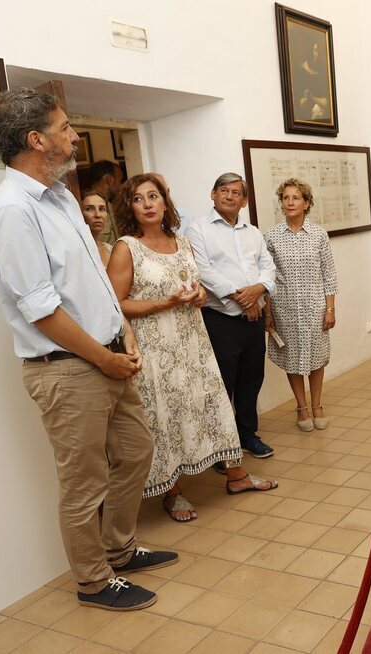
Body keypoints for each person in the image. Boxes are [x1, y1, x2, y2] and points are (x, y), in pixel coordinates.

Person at [0, 88, 176, 611]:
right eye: (66, 128)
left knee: (136, 454)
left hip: (107, 354)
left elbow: (89, 278)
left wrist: (123, 333)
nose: (76, 135)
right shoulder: (11, 210)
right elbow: (41, 309)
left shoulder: (62, 194)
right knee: (83, 482)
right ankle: (92, 581)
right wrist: (103, 355)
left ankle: (119, 549)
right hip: (68, 369)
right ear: (36, 139)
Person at [108, 174, 278, 521]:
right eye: (138, 199)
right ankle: (173, 493)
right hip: (156, 346)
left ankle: (237, 476)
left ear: (165, 202)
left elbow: (195, 286)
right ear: (130, 208)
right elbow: (113, 303)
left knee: (213, 403)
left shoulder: (181, 241)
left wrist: (199, 296)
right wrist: (163, 304)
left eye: (153, 196)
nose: (148, 204)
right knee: (167, 416)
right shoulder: (127, 247)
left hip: (193, 340)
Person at [187, 172, 277, 459]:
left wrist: (258, 290)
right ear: (213, 194)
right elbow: (203, 270)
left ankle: (248, 435)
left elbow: (268, 267)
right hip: (221, 321)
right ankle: (222, 447)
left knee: (251, 380)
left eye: (235, 192)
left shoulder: (253, 233)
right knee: (222, 383)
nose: (228, 195)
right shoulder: (197, 230)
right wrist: (244, 297)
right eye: (223, 190)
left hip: (253, 321)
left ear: (244, 200)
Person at [265, 179, 338, 431]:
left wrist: (330, 309)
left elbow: (329, 274)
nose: (290, 202)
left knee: (317, 359)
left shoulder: (319, 234)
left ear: (306, 203)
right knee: (293, 358)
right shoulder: (272, 236)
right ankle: (301, 407)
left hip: (315, 308)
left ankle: (317, 404)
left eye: (295, 198)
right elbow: (268, 277)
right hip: (285, 309)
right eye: (285, 198)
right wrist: (268, 313)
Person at [89, 159, 124, 245]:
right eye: (120, 181)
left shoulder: (110, 205)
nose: (121, 186)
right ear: (109, 180)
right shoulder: (86, 210)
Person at [81, 189, 112, 267]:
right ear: (80, 213)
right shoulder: (78, 249)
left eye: (102, 209)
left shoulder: (110, 249)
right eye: (89, 209)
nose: (97, 215)